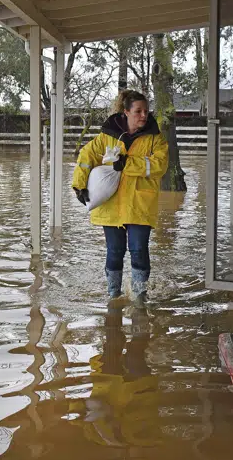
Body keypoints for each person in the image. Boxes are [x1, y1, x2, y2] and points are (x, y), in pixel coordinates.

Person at [72, 90, 169, 302]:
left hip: (140, 204)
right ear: (126, 112)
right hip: (112, 206)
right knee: (115, 252)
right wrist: (79, 185)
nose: (144, 115)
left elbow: (160, 166)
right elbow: (86, 156)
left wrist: (128, 163)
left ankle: (139, 297)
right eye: (138, 111)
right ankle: (113, 296)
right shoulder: (107, 136)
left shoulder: (156, 139)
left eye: (146, 111)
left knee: (139, 249)